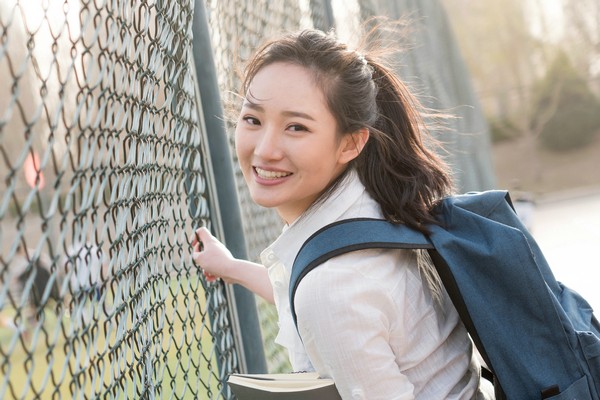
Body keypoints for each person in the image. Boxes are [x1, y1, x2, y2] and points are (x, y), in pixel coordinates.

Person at [192, 28, 494, 399]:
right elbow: (343, 300)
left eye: (296, 127)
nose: (265, 150)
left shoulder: (333, 288)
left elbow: (335, 299)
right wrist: (233, 268)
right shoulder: (373, 214)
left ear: (351, 143)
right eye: (253, 119)